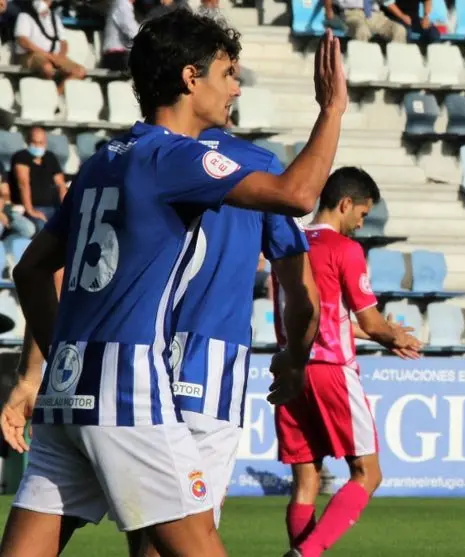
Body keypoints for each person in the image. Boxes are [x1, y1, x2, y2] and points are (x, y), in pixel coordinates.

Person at [0, 8, 348, 556]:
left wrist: (63, 355)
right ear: (191, 78)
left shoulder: (103, 159)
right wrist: (332, 110)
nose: (235, 88)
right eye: (227, 73)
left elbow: (30, 269)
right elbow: (298, 195)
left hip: (68, 388)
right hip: (127, 387)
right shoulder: (174, 156)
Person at [123, 126, 322, 557]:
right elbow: (304, 295)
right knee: (187, 528)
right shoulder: (258, 165)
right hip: (210, 360)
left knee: (148, 522)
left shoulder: (137, 154)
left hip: (135, 352)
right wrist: (295, 358)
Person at [276, 167, 422, 557]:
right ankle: (304, 554)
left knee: (306, 481)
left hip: (290, 371)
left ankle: (301, 550)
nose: (361, 223)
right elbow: (371, 321)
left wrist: (380, 334)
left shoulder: (288, 243)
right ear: (345, 204)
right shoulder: (344, 249)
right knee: (368, 473)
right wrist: (395, 335)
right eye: (362, 213)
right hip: (331, 372)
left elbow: (320, 315)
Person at [13, 0, 85, 91]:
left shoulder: (55, 18)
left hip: (54, 55)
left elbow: (63, 42)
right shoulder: (25, 16)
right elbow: (23, 41)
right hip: (31, 54)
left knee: (79, 71)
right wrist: (49, 56)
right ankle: (46, 92)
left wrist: (61, 56)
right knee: (47, 68)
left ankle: (56, 93)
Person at [10, 127, 67, 231]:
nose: (38, 146)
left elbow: (61, 185)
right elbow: (23, 184)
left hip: (53, 207)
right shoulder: (21, 157)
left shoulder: (50, 157)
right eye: (34, 142)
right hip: (33, 207)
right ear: (28, 141)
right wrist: (30, 210)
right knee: (43, 229)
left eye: (41, 142)